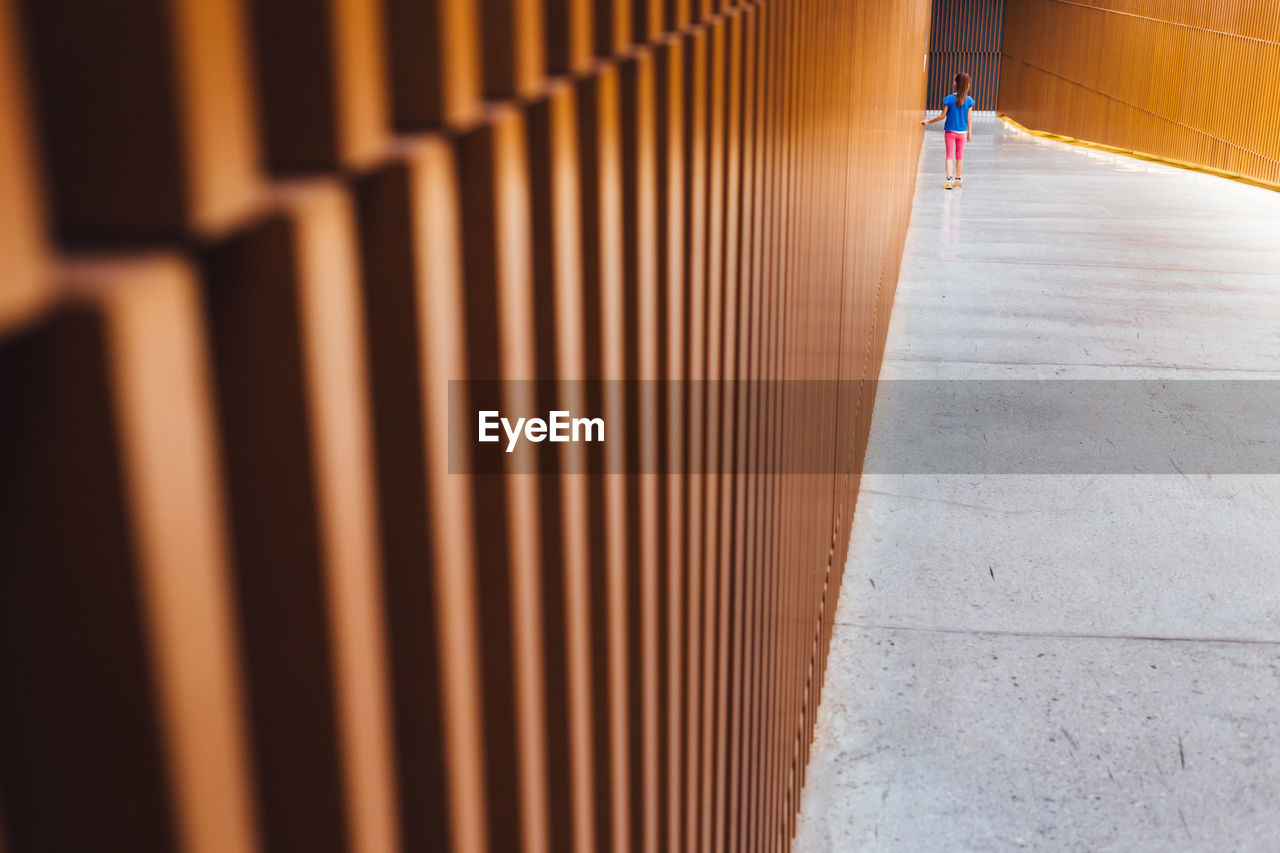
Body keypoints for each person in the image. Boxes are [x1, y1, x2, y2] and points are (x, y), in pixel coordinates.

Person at [920, 72, 975, 189]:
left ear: (955, 83)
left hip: (950, 132)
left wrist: (928, 122)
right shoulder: (969, 100)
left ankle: (949, 181)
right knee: (960, 156)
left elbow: (942, 116)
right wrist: (970, 132)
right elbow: (969, 118)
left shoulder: (949, 99)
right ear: (968, 85)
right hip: (962, 133)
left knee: (949, 156)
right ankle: (958, 179)